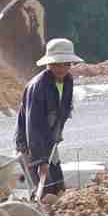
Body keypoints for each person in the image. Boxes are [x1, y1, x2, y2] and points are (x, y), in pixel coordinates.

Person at [16, 38, 80, 200]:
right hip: (31, 145)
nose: (62, 69)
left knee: (58, 189)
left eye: (66, 64)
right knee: (44, 194)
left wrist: (57, 134)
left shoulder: (68, 81)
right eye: (57, 64)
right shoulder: (37, 86)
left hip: (50, 141)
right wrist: (40, 161)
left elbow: (63, 111)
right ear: (48, 64)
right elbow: (33, 126)